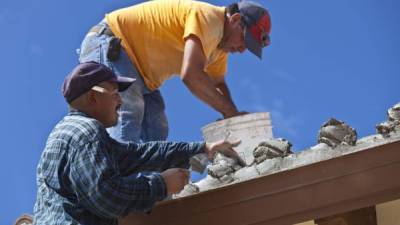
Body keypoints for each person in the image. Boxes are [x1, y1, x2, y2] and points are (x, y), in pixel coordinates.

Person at [33, 62, 242, 225]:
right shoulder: (86, 133)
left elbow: (140, 154)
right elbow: (106, 196)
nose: (121, 101)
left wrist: (202, 148)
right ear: (92, 98)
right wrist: (161, 185)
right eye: (115, 93)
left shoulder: (72, 133)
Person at [78, 0, 271, 143]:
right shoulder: (209, 19)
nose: (242, 49)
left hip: (141, 74)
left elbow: (217, 83)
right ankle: (117, 189)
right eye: (244, 40)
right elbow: (192, 75)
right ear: (236, 19)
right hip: (113, 44)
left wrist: (233, 115)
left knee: (156, 129)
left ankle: (148, 191)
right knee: (127, 113)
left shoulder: (219, 48)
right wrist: (229, 112)